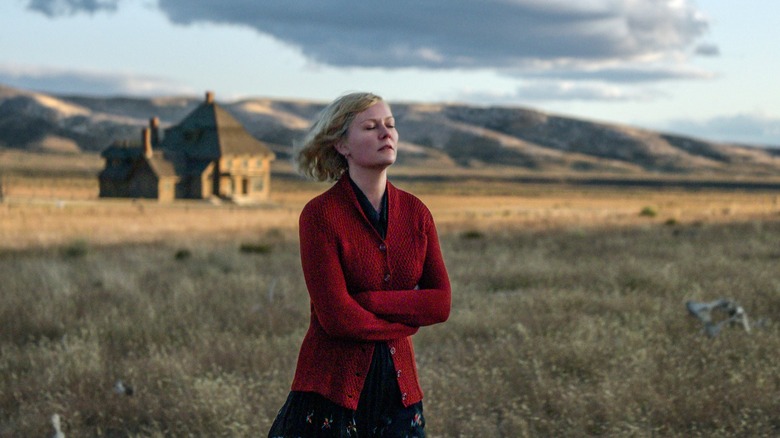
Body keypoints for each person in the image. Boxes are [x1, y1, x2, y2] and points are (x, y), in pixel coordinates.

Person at [268, 92, 451, 438]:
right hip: (329, 394)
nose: (386, 133)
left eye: (391, 125)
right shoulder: (320, 215)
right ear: (342, 146)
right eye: (370, 127)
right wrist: (408, 319)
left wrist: (368, 302)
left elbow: (440, 304)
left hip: (401, 396)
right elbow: (337, 320)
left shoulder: (417, 213)